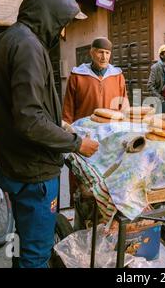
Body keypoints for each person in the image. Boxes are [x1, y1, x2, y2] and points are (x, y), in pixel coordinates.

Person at [0, 0, 99, 268]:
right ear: (49, 16)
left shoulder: (5, 40)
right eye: (63, 23)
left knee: (20, 243)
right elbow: (29, 120)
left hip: (13, 166)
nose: (63, 33)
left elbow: (21, 106)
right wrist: (76, 144)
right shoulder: (28, 47)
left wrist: (57, 122)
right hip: (33, 172)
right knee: (36, 255)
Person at [62, 37, 129, 208]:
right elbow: (68, 110)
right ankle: (81, 214)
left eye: (107, 53)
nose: (104, 56)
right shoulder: (78, 76)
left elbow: (124, 105)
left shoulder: (117, 75)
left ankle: (108, 218)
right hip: (84, 137)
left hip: (111, 138)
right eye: (100, 52)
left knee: (109, 180)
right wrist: (69, 136)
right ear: (92, 53)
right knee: (82, 182)